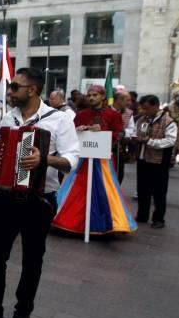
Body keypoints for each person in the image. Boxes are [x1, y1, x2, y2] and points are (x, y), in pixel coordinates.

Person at [0, 68, 79, 318]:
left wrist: (45, 159)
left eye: (16, 87)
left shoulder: (59, 120)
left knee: (32, 259)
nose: (10, 92)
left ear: (32, 90)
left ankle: (22, 313)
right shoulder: (7, 117)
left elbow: (72, 158)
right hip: (5, 197)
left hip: (38, 200)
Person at [52, 86, 136, 236]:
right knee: (78, 190)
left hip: (103, 161)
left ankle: (105, 223)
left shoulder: (112, 114)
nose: (91, 98)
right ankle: (74, 223)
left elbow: (119, 134)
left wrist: (103, 132)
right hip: (82, 159)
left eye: (95, 95)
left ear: (103, 97)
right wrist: (79, 129)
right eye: (89, 95)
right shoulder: (82, 114)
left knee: (104, 190)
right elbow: (71, 132)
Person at [134, 95, 177, 228]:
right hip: (142, 159)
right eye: (142, 108)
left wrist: (150, 141)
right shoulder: (141, 120)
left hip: (159, 161)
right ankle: (142, 215)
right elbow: (136, 132)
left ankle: (158, 219)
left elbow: (170, 141)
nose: (144, 111)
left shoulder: (169, 121)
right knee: (142, 189)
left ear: (156, 106)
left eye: (147, 108)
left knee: (159, 191)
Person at [113, 91, 137, 183]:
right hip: (105, 147)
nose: (129, 103)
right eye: (127, 100)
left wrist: (122, 133)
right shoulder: (106, 110)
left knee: (119, 174)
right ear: (119, 100)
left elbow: (131, 130)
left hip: (120, 148)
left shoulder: (129, 113)